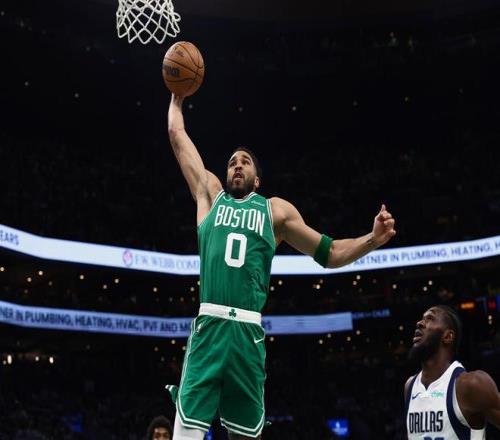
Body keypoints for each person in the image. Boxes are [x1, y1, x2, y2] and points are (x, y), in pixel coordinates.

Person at [167, 93, 397, 440]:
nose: (237, 166)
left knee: (247, 435)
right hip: (209, 326)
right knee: (185, 433)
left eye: (245, 162)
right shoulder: (210, 195)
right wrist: (177, 97)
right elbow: (177, 134)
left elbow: (331, 252)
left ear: (257, 179)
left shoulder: (275, 211)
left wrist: (373, 239)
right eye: (232, 162)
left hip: (247, 333)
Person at [404, 305, 500, 439]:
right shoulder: (410, 386)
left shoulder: (470, 384)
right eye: (422, 319)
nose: (419, 323)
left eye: (430, 318)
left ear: (448, 336)